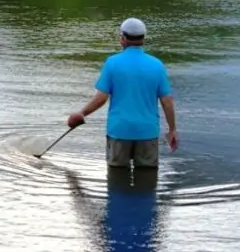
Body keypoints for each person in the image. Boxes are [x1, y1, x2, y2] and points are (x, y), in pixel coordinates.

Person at [67, 17, 177, 168]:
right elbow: (167, 101)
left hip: (119, 131)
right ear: (143, 39)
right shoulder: (157, 65)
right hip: (147, 132)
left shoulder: (112, 63)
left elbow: (101, 98)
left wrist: (81, 114)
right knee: (147, 179)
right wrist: (172, 130)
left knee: (117, 177)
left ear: (123, 38)